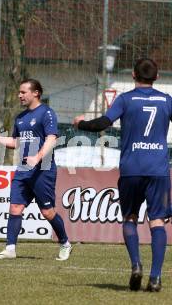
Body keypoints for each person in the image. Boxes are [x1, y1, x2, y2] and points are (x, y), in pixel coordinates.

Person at [74, 58, 172, 292]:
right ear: (157, 77)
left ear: (133, 76)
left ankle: (136, 265)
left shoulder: (126, 99)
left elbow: (102, 124)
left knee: (129, 217)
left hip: (131, 169)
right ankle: (155, 277)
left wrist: (81, 124)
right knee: (157, 220)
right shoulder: (167, 100)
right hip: (158, 169)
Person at [0, 78, 72, 261]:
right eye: (19, 92)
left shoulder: (47, 113)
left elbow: (52, 138)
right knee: (15, 207)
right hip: (24, 169)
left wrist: (38, 156)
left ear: (36, 93)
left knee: (47, 212)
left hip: (43, 169)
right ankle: (10, 248)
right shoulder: (20, 117)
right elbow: (16, 142)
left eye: (23, 92)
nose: (19, 95)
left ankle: (65, 243)